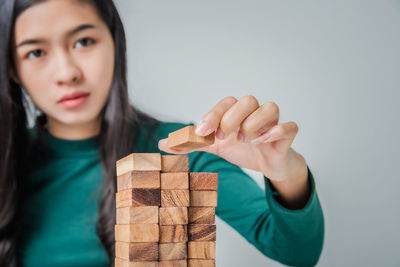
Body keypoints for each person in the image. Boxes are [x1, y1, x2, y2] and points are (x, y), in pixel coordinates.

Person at [0, 0, 324, 266]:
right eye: (36, 52)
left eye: (84, 41)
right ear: (13, 68)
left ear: (114, 43)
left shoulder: (182, 151)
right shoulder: (7, 164)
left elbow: (297, 252)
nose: (67, 72)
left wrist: (286, 173)